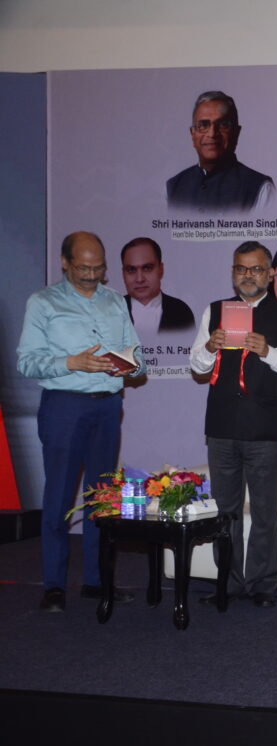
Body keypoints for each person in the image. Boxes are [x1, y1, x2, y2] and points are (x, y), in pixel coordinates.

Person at [17, 231, 144, 612]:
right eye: (84, 268)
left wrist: (129, 365)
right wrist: (71, 362)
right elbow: (26, 362)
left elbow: (138, 358)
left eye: (98, 268)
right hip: (64, 407)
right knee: (58, 497)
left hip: (108, 407)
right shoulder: (43, 302)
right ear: (65, 263)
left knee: (101, 498)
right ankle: (54, 586)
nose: (91, 275)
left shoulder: (115, 301)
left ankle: (97, 581)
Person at [189, 241, 277, 608]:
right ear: (233, 272)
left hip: (265, 427)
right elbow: (197, 366)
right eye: (240, 269)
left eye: (255, 269)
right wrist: (210, 347)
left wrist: (268, 352)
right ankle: (227, 582)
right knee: (225, 512)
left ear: (270, 273)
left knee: (264, 511)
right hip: (221, 426)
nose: (247, 275)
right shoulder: (215, 310)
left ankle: (262, 584)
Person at [166, 90, 275, 213]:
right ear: (192, 134)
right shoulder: (172, 187)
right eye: (203, 125)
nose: (212, 134)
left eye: (223, 124)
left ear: (236, 133)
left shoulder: (260, 188)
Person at [120, 237, 196, 335]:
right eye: (131, 270)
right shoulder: (110, 312)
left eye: (147, 268)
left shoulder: (182, 312)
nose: (139, 279)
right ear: (123, 274)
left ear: (161, 269)